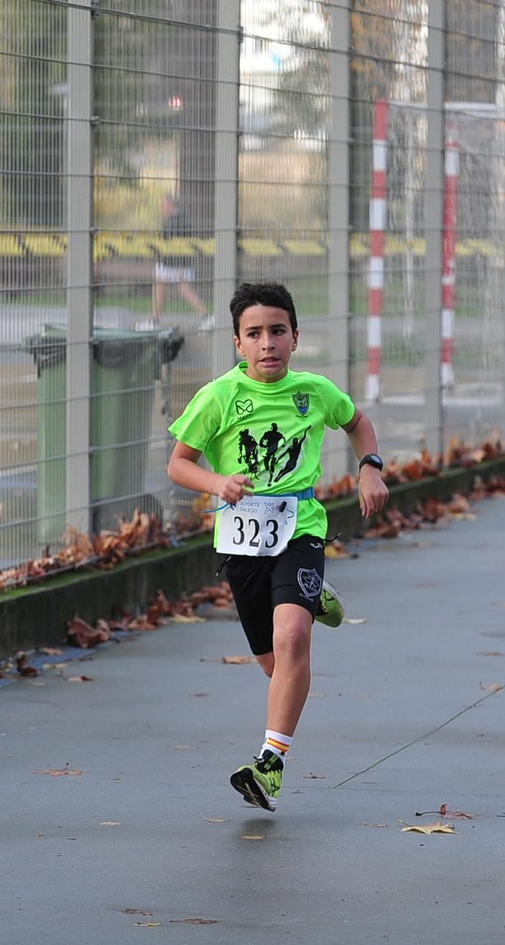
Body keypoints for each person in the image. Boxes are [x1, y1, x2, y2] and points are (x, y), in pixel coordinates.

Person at [167, 282, 388, 811]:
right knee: (275, 667)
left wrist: (370, 468)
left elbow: (358, 423)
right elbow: (179, 464)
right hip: (241, 542)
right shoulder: (219, 397)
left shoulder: (314, 391)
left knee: (292, 638)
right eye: (254, 334)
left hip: (300, 529)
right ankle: (315, 597)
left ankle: (270, 764)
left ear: (295, 337)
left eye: (277, 331)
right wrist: (218, 482)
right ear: (238, 343)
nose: (267, 342)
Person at [142, 196, 215, 332]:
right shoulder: (175, 220)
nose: (161, 208)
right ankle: (155, 320)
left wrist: (181, 266)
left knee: (182, 290)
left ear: (170, 205)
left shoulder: (178, 221)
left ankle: (207, 316)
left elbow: (179, 244)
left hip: (175, 264)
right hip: (171, 263)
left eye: (163, 205)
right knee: (163, 287)